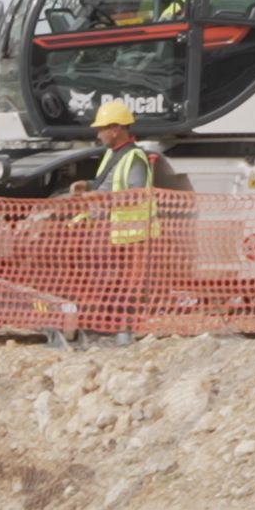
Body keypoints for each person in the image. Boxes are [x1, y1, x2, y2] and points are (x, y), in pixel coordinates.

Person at [84, 99, 164, 335]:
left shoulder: (134, 157)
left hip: (131, 235)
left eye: (102, 129)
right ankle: (109, 326)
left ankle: (123, 330)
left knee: (126, 284)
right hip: (113, 232)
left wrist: (102, 202)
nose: (99, 134)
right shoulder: (112, 154)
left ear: (116, 129)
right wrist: (88, 186)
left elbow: (135, 194)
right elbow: (108, 185)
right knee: (109, 282)